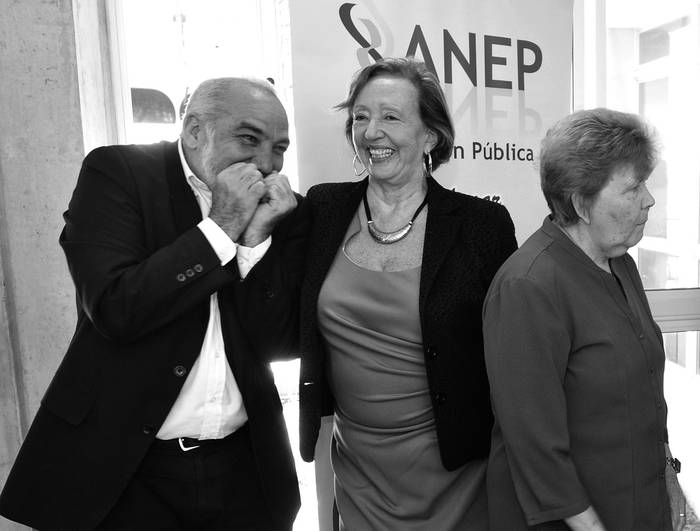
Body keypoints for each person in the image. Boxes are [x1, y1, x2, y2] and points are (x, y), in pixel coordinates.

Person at [0, 78, 305, 530]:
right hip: (127, 470)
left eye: (278, 147)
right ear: (196, 130)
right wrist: (222, 227)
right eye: (248, 138)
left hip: (245, 470)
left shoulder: (281, 208)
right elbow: (115, 308)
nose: (266, 162)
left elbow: (279, 344)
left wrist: (253, 244)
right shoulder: (119, 173)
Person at [298, 57, 518, 529]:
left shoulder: (482, 225)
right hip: (358, 471)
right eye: (361, 116)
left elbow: (511, 355)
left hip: (456, 474)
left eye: (391, 117)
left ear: (431, 137)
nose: (371, 131)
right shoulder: (323, 208)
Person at [483, 108, 686, 531]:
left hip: (636, 502)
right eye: (633, 188)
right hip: (574, 519)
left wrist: (667, 479)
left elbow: (645, 390)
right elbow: (535, 445)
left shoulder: (621, 264)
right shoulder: (528, 286)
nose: (648, 199)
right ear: (581, 203)